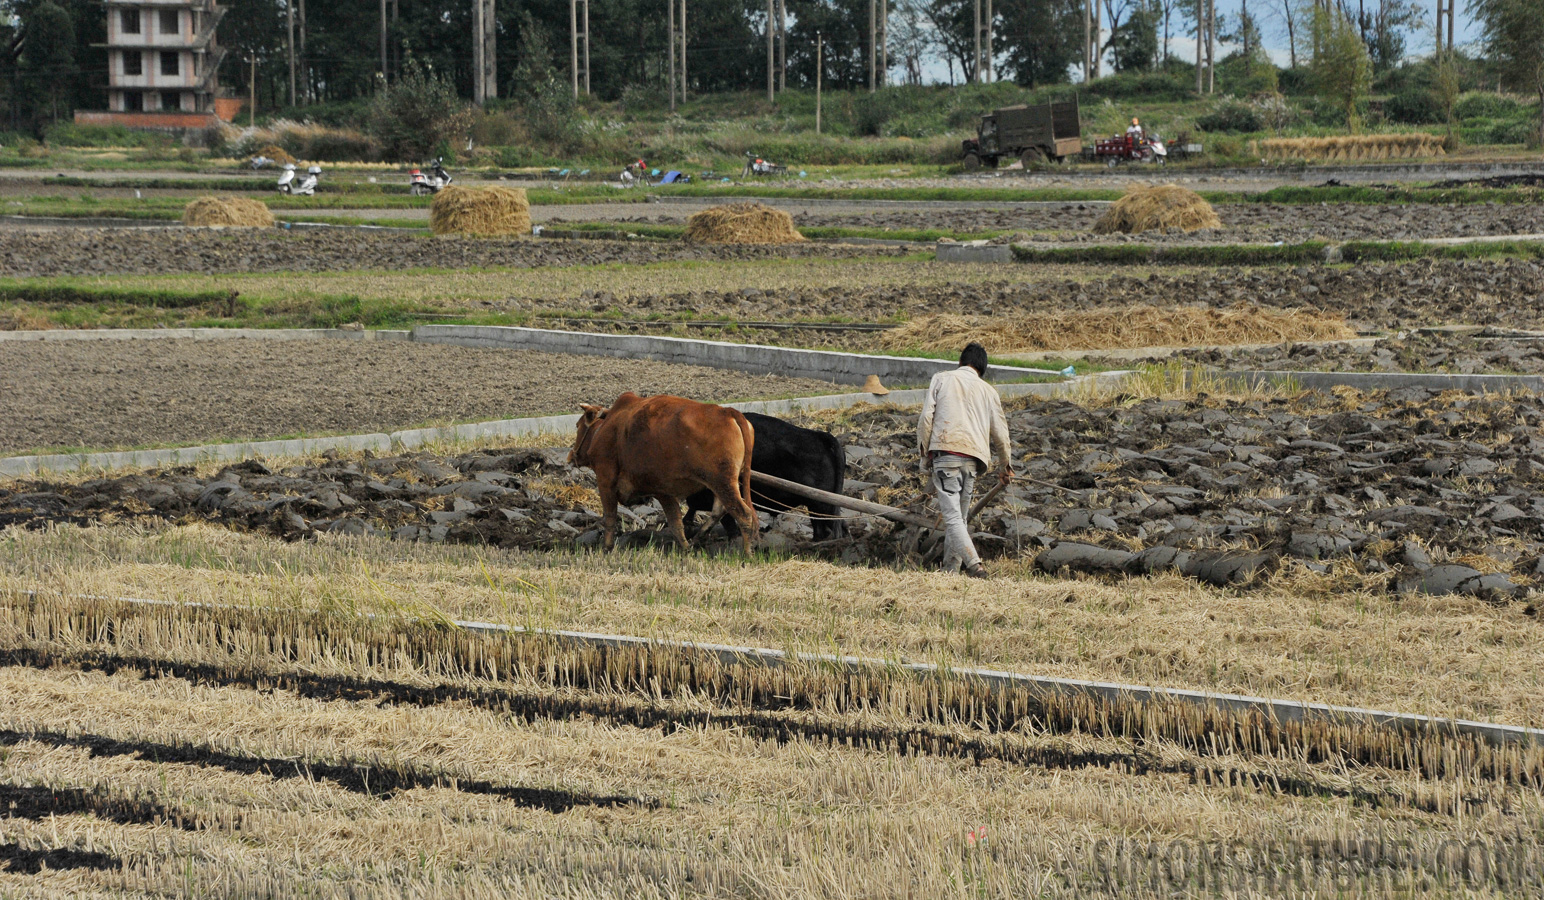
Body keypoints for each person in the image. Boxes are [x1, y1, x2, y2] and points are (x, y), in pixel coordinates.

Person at [917, 343, 1013, 578]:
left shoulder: (941, 379)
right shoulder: (989, 391)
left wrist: (924, 456)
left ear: (960, 362)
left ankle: (975, 565)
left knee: (952, 518)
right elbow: (1001, 433)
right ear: (983, 369)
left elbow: (926, 419)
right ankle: (950, 572)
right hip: (973, 460)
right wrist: (1005, 466)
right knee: (958, 518)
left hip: (946, 453)